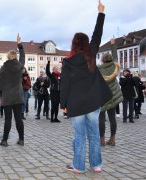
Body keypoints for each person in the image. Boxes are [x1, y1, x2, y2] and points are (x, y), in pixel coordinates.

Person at [60, 1, 111, 174]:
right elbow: (97, 34)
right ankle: (96, 165)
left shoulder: (67, 62)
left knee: (79, 137)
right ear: (86, 44)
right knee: (94, 134)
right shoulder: (91, 53)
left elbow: (64, 85)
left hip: (76, 104)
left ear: (73, 44)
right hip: (93, 103)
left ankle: (78, 166)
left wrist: (63, 105)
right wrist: (101, 13)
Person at [0, 34, 25, 147]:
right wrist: (19, 44)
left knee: (7, 119)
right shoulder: (19, 65)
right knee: (18, 118)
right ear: (15, 57)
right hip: (18, 96)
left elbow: (0, 82)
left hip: (7, 97)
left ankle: (4, 140)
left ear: (8, 57)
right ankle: (21, 139)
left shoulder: (3, 68)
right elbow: (23, 56)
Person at [98, 37, 123, 146]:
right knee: (112, 118)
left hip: (102, 96)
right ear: (111, 60)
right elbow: (116, 55)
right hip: (113, 96)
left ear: (103, 60)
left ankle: (102, 140)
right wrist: (113, 44)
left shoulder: (99, 69)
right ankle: (112, 139)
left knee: (101, 119)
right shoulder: (115, 66)